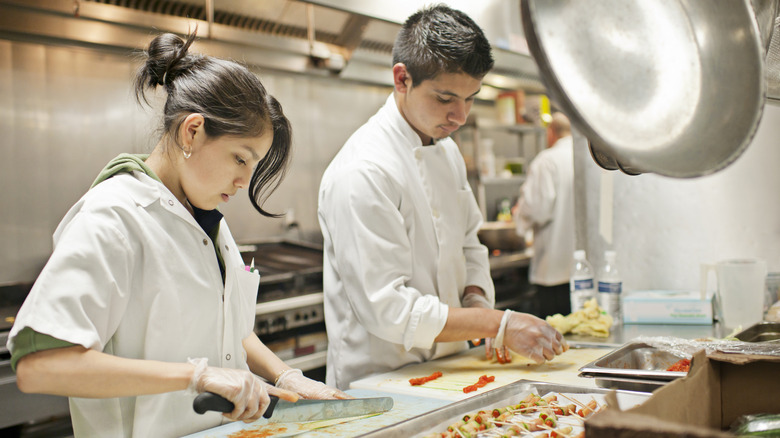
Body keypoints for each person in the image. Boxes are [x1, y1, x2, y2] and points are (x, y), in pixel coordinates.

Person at [7, 31, 347, 438]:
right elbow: (39, 366)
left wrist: (287, 375)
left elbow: (229, 331)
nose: (243, 181)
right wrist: (196, 377)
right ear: (192, 132)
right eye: (240, 158)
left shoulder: (207, 222)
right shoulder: (114, 216)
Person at [317, 4, 567, 390]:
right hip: (381, 385)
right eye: (446, 98)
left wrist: (478, 301)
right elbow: (389, 310)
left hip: (452, 371)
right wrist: (499, 324)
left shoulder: (446, 150)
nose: (460, 116)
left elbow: (469, 243)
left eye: (470, 99)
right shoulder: (364, 171)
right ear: (402, 79)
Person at [513, 112, 576, 317]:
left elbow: (538, 209)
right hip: (582, 269)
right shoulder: (584, 157)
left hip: (553, 267)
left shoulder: (547, 160)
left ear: (551, 133)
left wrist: (519, 214)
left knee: (556, 334)